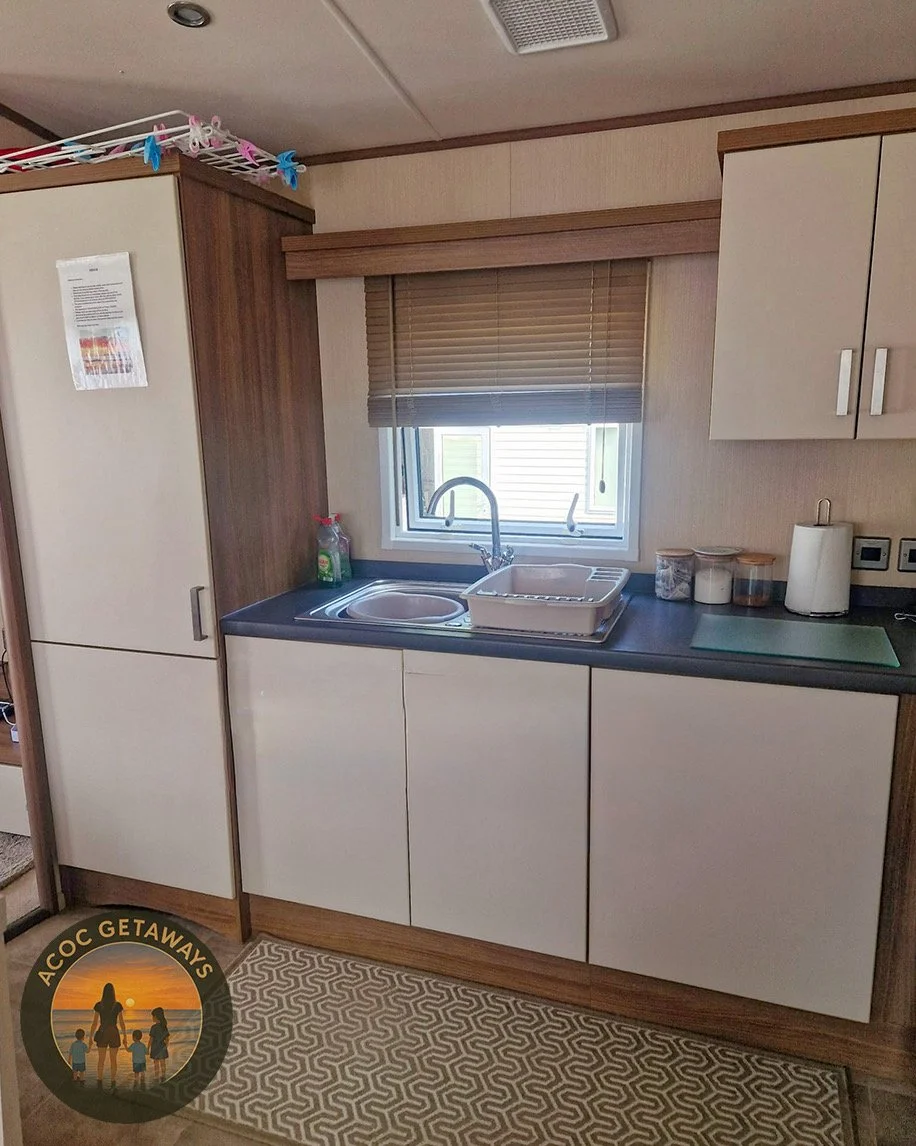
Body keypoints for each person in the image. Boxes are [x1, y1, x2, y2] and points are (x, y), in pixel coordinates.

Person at [88, 982, 127, 1091]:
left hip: (103, 1032)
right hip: (114, 1032)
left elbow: (95, 1023)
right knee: (113, 1060)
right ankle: (113, 1083)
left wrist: (90, 1037)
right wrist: (125, 1036)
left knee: (101, 1060)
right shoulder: (117, 1005)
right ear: (113, 992)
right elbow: (121, 1022)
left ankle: (99, 1083)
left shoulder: (99, 1005)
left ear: (103, 992)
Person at [148, 1007, 169, 1084]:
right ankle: (163, 1076)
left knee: (156, 1063)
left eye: (152, 1016)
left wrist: (147, 1048)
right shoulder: (164, 1026)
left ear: (156, 1016)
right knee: (163, 1062)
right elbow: (167, 1038)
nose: (152, 1018)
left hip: (155, 1048)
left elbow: (151, 1039)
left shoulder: (153, 1027)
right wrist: (166, 1046)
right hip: (162, 1047)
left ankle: (156, 1076)